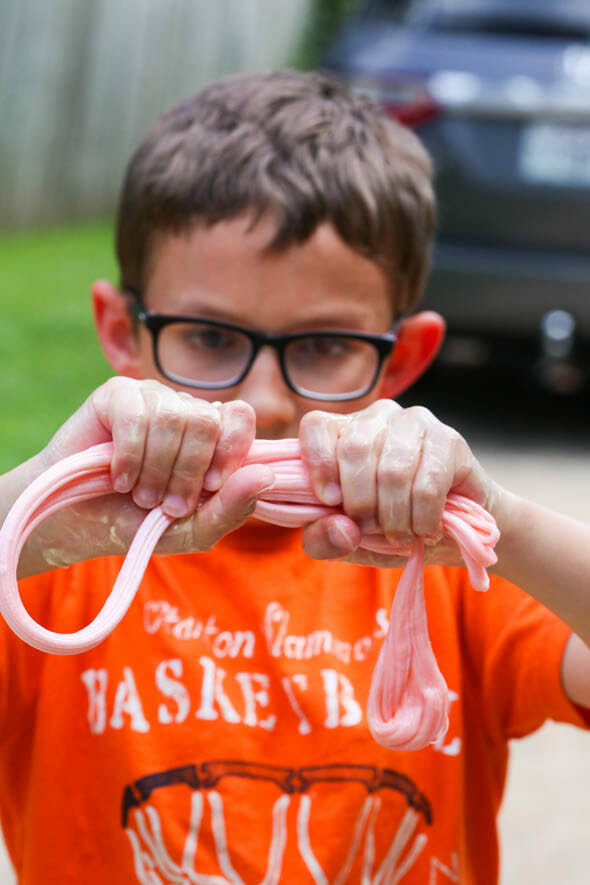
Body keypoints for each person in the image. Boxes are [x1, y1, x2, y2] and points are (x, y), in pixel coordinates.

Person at [0, 71, 589, 885]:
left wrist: (506, 524)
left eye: (321, 348)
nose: (265, 400)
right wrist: (31, 519)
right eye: (208, 337)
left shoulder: (459, 568)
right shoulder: (46, 574)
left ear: (404, 358)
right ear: (120, 331)